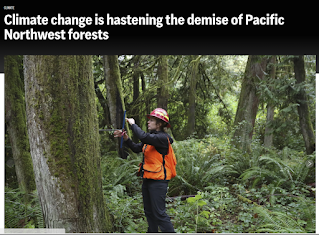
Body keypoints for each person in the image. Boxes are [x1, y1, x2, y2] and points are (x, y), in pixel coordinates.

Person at [114, 108, 176, 233]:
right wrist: (126, 138)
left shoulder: (163, 138)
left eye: (151, 120)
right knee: (149, 212)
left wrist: (132, 124)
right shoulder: (151, 138)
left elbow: (142, 136)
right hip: (147, 179)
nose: (148, 122)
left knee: (159, 213)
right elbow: (137, 148)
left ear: (159, 124)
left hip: (159, 182)